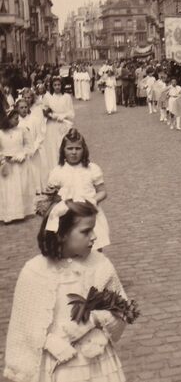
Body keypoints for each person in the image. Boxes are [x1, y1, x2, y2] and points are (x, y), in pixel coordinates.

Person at [3, 200, 129, 382]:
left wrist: (93, 320)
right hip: (56, 363)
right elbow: (24, 326)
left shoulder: (100, 265)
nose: (94, 236)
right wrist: (49, 342)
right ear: (62, 235)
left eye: (93, 229)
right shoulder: (35, 271)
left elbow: (122, 308)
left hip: (97, 360)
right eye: (86, 231)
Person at [47, 129, 110, 251]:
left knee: (95, 247)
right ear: (63, 150)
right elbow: (51, 197)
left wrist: (92, 201)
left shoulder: (92, 169)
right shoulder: (57, 172)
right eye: (70, 148)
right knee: (72, 249)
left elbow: (102, 191)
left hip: (90, 214)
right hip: (68, 217)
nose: (74, 152)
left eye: (78, 148)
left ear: (84, 150)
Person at [0, 110, 35, 223]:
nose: (18, 121)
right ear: (8, 119)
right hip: (7, 165)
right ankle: (8, 215)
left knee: (21, 187)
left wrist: (23, 154)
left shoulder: (22, 130)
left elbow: (29, 146)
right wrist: (3, 158)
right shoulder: (1, 133)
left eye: (18, 118)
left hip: (20, 165)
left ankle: (22, 212)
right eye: (15, 119)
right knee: (8, 190)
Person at [42, 77, 75, 171]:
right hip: (52, 126)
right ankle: (56, 169)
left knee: (64, 145)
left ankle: (66, 168)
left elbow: (71, 113)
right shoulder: (48, 97)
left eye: (59, 85)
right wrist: (52, 116)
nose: (57, 87)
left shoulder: (67, 97)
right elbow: (44, 112)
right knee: (53, 148)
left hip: (64, 125)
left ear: (62, 85)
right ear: (52, 86)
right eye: (55, 85)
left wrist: (63, 116)